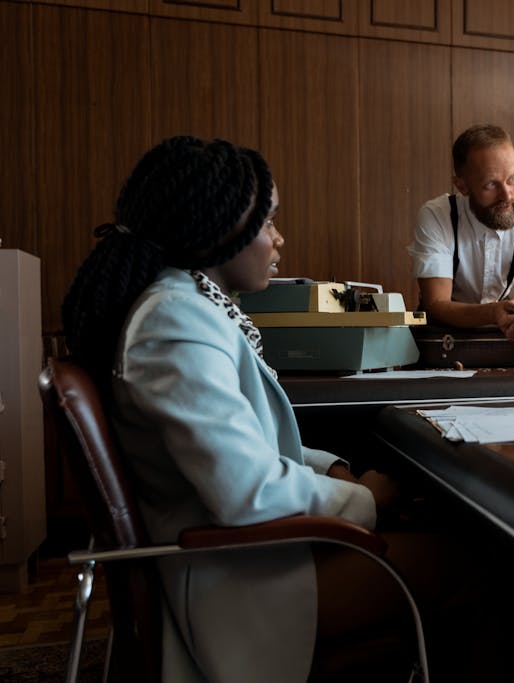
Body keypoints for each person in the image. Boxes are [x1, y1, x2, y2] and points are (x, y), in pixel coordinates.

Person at [61, 136, 475, 682]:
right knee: (479, 565)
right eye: (268, 221)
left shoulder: (185, 307)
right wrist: (366, 499)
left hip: (246, 559)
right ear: (217, 228)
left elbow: (248, 445)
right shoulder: (175, 323)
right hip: (236, 584)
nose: (280, 238)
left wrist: (332, 470)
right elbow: (246, 490)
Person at [409, 124, 514, 341]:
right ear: (462, 186)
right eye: (491, 184)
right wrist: (492, 312)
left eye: (512, 179)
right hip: (441, 344)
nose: (506, 195)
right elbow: (436, 305)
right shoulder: (436, 216)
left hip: (506, 342)